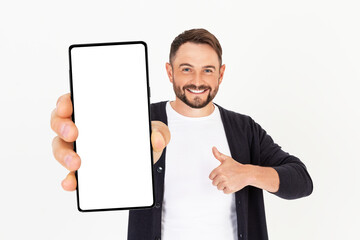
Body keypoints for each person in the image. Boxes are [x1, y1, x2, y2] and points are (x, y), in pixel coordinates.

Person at [51, 28, 313, 240]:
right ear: (169, 71)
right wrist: (87, 144)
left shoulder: (244, 128)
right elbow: (105, 167)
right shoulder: (142, 121)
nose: (197, 81)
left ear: (221, 74)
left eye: (207, 70)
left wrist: (248, 173)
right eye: (186, 68)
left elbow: (302, 181)